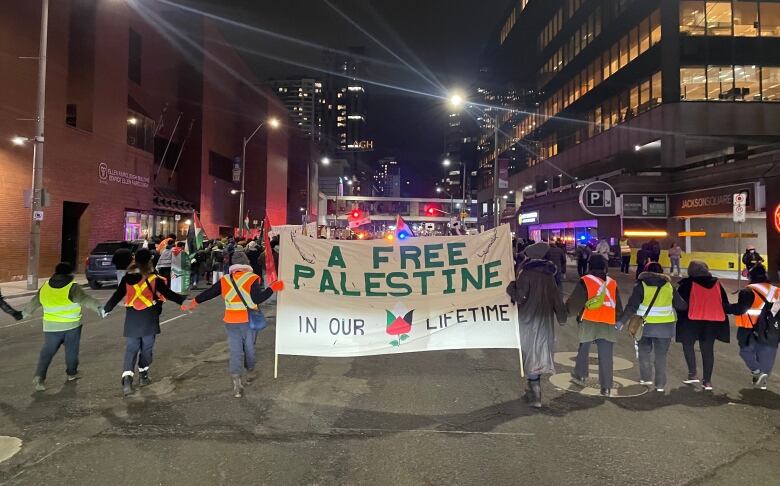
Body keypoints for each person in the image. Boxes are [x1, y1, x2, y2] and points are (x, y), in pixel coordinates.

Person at [188, 249, 284, 398]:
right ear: (246, 263)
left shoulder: (225, 279)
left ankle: (236, 380)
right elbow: (257, 299)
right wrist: (272, 288)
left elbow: (210, 293)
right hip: (248, 320)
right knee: (250, 349)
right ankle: (249, 371)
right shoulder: (252, 278)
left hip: (231, 321)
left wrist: (195, 301)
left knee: (235, 351)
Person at [103, 249, 186, 396]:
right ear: (149, 261)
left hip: (132, 317)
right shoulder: (154, 279)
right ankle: (143, 375)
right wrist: (184, 301)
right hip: (149, 317)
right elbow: (168, 294)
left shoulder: (127, 278)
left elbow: (117, 296)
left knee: (131, 348)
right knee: (147, 348)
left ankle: (127, 380)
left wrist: (106, 309)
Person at [23, 262, 103, 391]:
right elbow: (86, 299)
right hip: (71, 326)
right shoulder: (72, 287)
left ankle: (39, 376)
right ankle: (71, 374)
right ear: (70, 273)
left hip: (51, 327)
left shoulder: (45, 287)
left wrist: (24, 313)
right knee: (71, 352)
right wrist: (99, 308)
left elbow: (34, 302)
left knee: (47, 353)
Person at [506, 242, 567, 408]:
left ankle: (535, 394)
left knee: (530, 353)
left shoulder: (526, 274)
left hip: (528, 320)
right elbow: (557, 300)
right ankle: (534, 389)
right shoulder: (549, 276)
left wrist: (511, 287)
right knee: (539, 352)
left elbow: (519, 297)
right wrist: (562, 318)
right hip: (545, 320)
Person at [619, 262, 685, 392]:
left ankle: (646, 378)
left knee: (644, 352)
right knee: (661, 356)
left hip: (645, 327)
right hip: (665, 328)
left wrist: (622, 321)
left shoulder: (641, 285)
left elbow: (632, 306)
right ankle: (660, 385)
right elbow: (681, 305)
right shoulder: (669, 286)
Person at [566, 255, 623, 396]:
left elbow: (575, 303)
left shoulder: (585, 281)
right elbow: (618, 306)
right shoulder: (612, 283)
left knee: (584, 347)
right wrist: (618, 319)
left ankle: (581, 374)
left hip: (589, 320)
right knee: (606, 355)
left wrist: (566, 312)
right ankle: (606, 387)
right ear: (604, 266)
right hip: (608, 321)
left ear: (589, 266)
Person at [675, 260, 730, 391]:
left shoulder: (686, 284)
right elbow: (724, 302)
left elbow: (680, 305)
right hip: (711, 322)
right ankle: (707, 382)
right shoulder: (717, 283)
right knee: (708, 350)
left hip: (690, 321)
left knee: (688, 345)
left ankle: (692, 373)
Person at [729, 264, 779, 390]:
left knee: (746, 351)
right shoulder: (777, 290)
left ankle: (757, 371)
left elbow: (740, 309)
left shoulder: (748, 290)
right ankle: (763, 380)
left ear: (751, 276)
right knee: (767, 354)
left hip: (749, 328)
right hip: (772, 329)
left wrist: (724, 307)